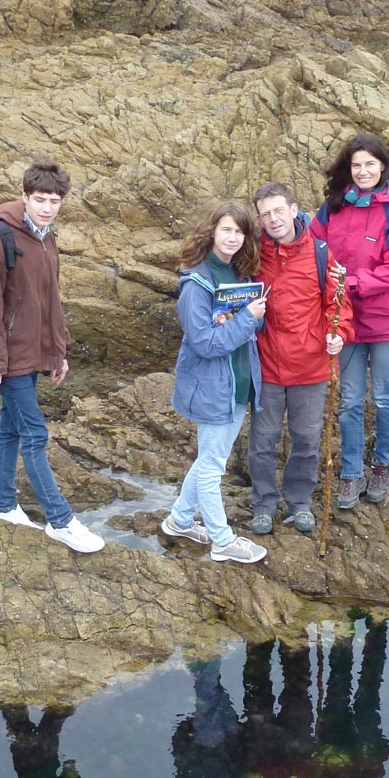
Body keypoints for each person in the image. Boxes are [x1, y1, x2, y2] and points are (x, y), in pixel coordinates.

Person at [0, 157, 104, 552]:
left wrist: (57, 353)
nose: (47, 208)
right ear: (24, 196)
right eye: (40, 199)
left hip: (32, 353)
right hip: (10, 358)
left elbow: (50, 302)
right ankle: (60, 520)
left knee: (10, 429)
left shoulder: (45, 238)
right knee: (34, 433)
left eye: (54, 201)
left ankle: (0, 506)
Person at [310, 132, 389, 508]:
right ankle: (352, 473)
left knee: (384, 396)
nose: (363, 171)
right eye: (356, 165)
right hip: (346, 320)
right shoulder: (334, 205)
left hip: (387, 320)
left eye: (370, 164)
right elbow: (312, 247)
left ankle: (382, 465)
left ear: (384, 166)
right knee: (350, 399)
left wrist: (350, 283)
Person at [162, 201, 267, 564]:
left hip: (238, 384)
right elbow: (205, 343)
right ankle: (222, 540)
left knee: (211, 458)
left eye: (239, 232)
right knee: (212, 466)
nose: (233, 238)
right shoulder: (196, 283)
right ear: (211, 232)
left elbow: (245, 329)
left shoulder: (240, 275)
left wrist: (254, 317)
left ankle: (179, 521)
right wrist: (248, 318)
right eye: (226, 230)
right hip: (213, 387)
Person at [248, 181, 353, 535]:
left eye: (279, 210)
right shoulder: (252, 256)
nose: (273, 219)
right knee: (262, 441)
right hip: (266, 367)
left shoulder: (321, 253)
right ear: (259, 219)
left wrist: (339, 333)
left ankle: (299, 501)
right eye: (265, 214)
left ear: (294, 210)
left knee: (307, 440)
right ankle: (264, 504)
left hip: (311, 367)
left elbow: (337, 304)